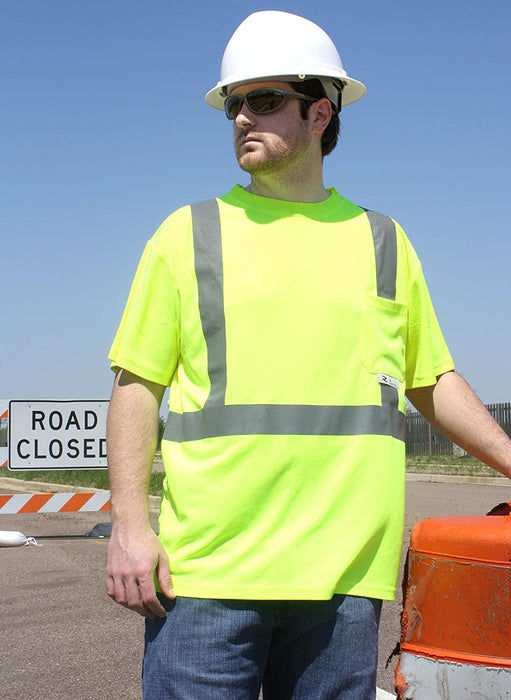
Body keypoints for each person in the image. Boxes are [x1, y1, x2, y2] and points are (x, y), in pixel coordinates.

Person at [105, 10, 511, 700]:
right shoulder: (188, 234)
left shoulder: (382, 241)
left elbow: (430, 379)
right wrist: (129, 527)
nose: (241, 117)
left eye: (263, 100)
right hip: (207, 572)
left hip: (344, 578)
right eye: (234, 104)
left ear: (319, 112)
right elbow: (136, 386)